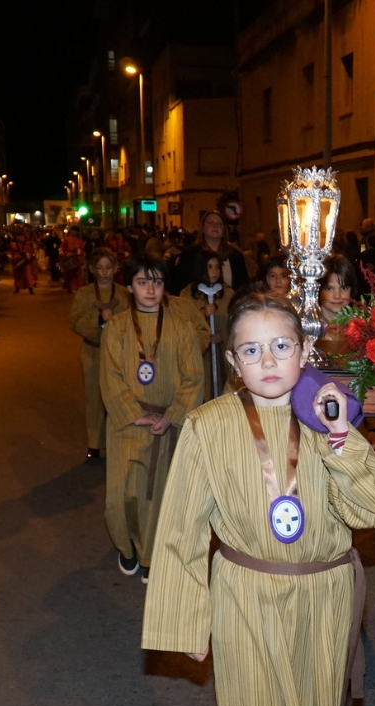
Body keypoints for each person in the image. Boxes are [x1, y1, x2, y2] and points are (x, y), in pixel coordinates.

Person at [141, 292, 375, 706]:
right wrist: (188, 623)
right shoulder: (208, 426)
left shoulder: (330, 418)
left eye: (282, 346)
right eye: (251, 350)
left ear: (305, 351)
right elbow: (180, 531)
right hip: (246, 595)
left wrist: (341, 437)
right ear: (233, 362)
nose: (268, 361)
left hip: (323, 597)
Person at [100, 252, 202, 582]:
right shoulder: (116, 328)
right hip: (127, 424)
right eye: (142, 282)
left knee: (155, 497)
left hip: (165, 425)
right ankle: (126, 547)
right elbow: (110, 376)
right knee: (120, 497)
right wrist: (132, 413)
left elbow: (193, 377)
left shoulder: (181, 327)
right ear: (129, 286)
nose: (150, 290)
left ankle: (148, 557)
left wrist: (173, 416)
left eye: (156, 282)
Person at [69, 248, 129, 463]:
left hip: (118, 355)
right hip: (93, 352)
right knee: (94, 398)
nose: (105, 273)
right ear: (93, 269)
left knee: (117, 396)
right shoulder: (84, 294)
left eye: (109, 268)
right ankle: (94, 444)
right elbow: (75, 320)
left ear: (116, 268)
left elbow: (133, 321)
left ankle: (118, 441)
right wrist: (98, 320)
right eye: (100, 268)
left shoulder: (123, 295)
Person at [178, 249, 231, 400]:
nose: (214, 271)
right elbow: (182, 324)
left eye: (217, 267)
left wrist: (222, 335)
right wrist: (202, 315)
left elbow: (235, 323)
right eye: (209, 267)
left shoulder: (227, 294)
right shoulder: (187, 295)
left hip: (221, 353)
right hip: (200, 356)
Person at [169, 210, 250, 295]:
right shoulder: (189, 254)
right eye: (210, 223)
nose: (215, 226)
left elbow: (243, 287)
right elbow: (177, 286)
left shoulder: (235, 256)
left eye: (219, 224)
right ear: (203, 229)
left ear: (224, 231)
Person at [10, 228, 38, 294]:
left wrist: (29, 256)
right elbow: (11, 253)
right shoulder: (13, 245)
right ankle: (17, 288)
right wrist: (13, 257)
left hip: (25, 261)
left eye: (21, 236)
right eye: (19, 236)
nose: (21, 237)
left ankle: (30, 288)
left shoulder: (26, 245)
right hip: (17, 261)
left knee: (28, 275)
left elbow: (30, 252)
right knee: (17, 276)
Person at [60, 227, 87, 293]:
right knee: (70, 274)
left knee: (78, 274)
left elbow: (82, 249)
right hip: (69, 258)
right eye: (74, 231)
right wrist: (64, 254)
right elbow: (62, 248)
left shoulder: (80, 240)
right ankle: (71, 287)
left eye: (76, 231)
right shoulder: (66, 239)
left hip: (77, 258)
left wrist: (80, 252)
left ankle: (77, 287)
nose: (75, 232)